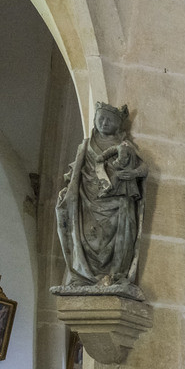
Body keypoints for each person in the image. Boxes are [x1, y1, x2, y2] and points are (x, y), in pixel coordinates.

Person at [55, 102, 149, 297]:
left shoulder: (125, 146)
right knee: (86, 235)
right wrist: (68, 188)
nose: (104, 123)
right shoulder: (86, 145)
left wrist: (131, 174)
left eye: (110, 120)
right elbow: (75, 171)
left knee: (122, 230)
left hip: (118, 200)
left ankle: (116, 274)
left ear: (118, 124)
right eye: (101, 119)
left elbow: (143, 168)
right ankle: (86, 276)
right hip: (88, 199)